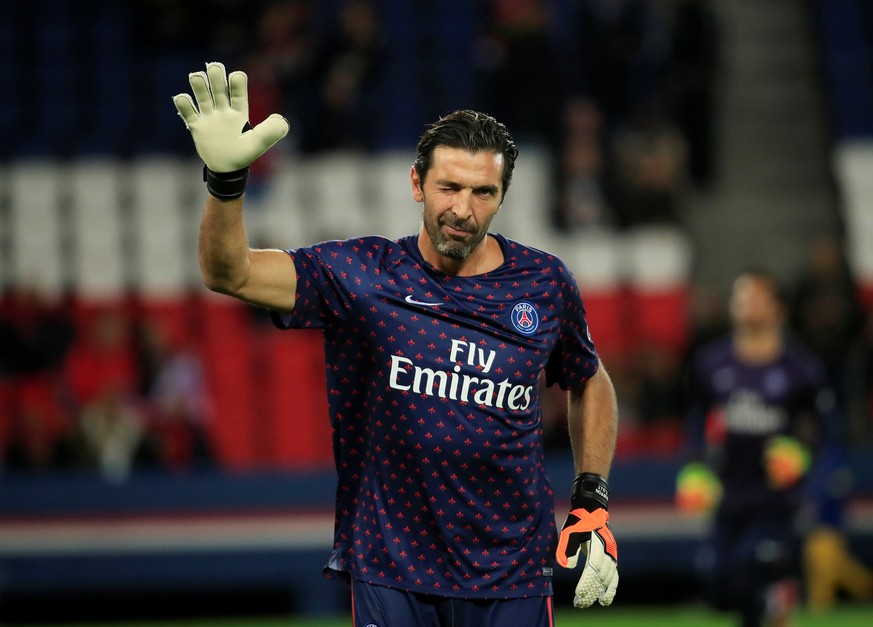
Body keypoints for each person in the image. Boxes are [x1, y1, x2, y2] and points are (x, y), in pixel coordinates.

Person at [173, 62, 619, 626]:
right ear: (416, 184)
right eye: (449, 187)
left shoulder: (545, 284)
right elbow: (229, 273)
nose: (463, 209)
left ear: (502, 196)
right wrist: (226, 183)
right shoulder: (361, 275)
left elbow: (588, 378)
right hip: (393, 568)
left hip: (515, 570)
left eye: (483, 192)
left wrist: (592, 500)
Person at [676, 270, 835, 627]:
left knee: (757, 567)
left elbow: (817, 425)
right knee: (719, 585)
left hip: (778, 499)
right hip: (729, 494)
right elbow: (697, 421)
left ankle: (777, 595)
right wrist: (695, 468)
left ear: (779, 310)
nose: (749, 306)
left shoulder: (801, 370)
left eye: (758, 299)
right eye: (742, 298)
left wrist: (800, 452)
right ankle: (774, 599)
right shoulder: (710, 364)